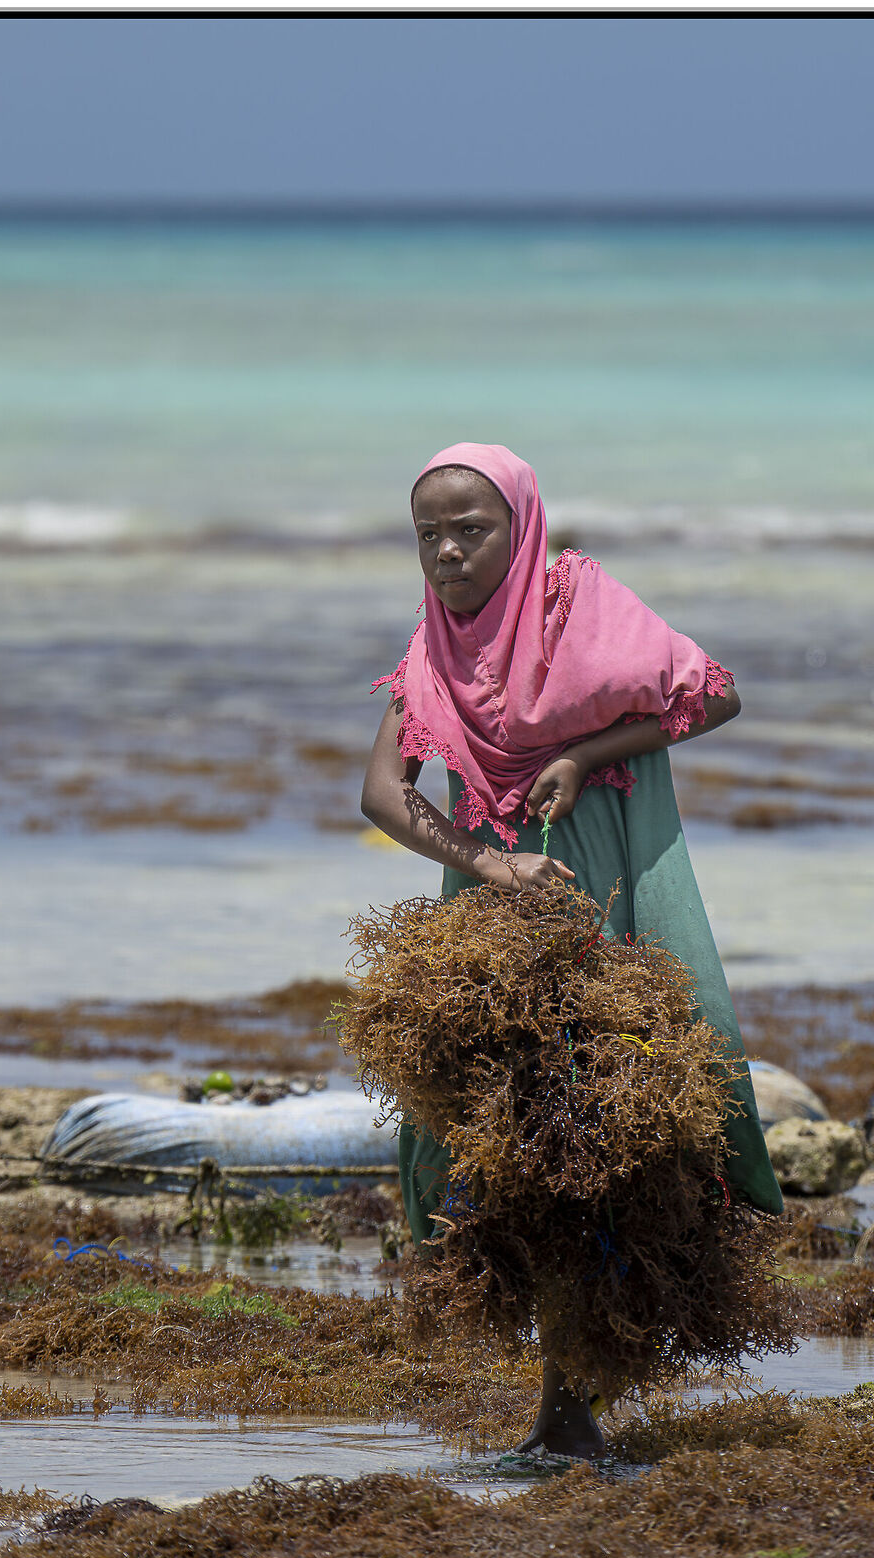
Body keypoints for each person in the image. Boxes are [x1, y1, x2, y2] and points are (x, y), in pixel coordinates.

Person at [358, 442, 784, 1460]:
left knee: (598, 1127)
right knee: (498, 1134)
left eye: (471, 529)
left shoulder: (579, 603)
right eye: (430, 536)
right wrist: (488, 865)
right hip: (491, 913)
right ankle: (564, 1406)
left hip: (606, 899)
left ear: (521, 524)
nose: (450, 552)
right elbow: (383, 793)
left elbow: (713, 693)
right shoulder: (435, 651)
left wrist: (581, 755)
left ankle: (574, 1400)